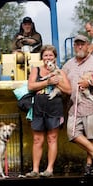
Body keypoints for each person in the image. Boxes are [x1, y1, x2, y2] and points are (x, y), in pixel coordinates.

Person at [62, 35, 93, 176]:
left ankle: (89, 168)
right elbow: (61, 80)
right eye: (77, 44)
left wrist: (89, 83)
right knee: (72, 132)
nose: (80, 47)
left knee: (92, 136)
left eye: (82, 44)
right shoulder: (68, 64)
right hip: (75, 106)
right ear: (74, 46)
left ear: (88, 46)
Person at [25, 45, 71, 177]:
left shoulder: (60, 72)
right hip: (39, 107)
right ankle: (35, 170)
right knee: (37, 139)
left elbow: (68, 90)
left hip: (54, 107)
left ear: (55, 58)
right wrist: (47, 82)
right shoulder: (36, 70)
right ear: (42, 58)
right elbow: (31, 86)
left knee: (52, 138)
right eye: (45, 55)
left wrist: (57, 83)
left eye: (51, 55)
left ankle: (49, 169)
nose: (48, 58)